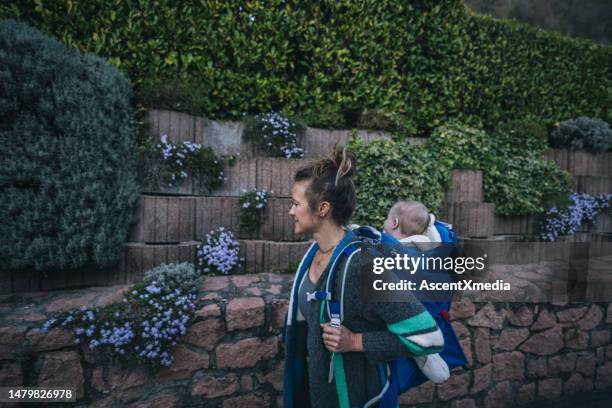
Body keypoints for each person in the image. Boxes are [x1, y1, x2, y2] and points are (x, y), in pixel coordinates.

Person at [283, 146, 445, 408]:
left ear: (322, 209)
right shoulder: (314, 252)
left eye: (296, 204)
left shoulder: (363, 266)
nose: (291, 211)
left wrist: (356, 341)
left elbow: (428, 337)